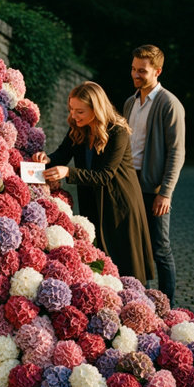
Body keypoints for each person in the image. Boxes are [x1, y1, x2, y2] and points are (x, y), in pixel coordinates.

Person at [33, 81, 155, 285]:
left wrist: (68, 173)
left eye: (80, 111)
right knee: (101, 263)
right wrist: (47, 159)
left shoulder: (117, 131)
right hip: (93, 201)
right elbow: (62, 153)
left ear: (96, 108)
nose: (73, 115)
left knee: (126, 267)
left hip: (120, 205)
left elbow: (104, 175)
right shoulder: (78, 127)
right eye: (71, 109)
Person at [123, 44, 185, 306]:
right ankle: (140, 302)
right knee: (134, 246)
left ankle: (167, 305)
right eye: (134, 69)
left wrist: (165, 192)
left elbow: (177, 152)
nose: (136, 75)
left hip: (154, 188)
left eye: (143, 71)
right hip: (129, 183)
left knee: (160, 248)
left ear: (158, 71)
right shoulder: (130, 102)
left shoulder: (169, 104)